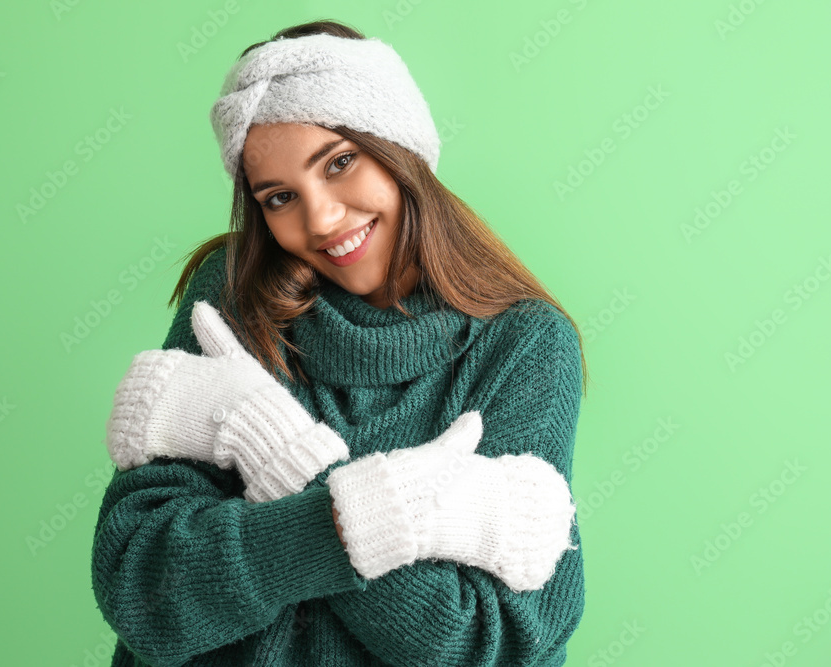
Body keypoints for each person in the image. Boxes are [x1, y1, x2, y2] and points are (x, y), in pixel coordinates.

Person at [91, 19, 590, 667]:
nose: (320, 220)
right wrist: (386, 521)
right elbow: (143, 588)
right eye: (278, 197)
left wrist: (281, 452)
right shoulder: (237, 294)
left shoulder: (522, 345)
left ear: (399, 144)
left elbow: (484, 644)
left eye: (340, 162)